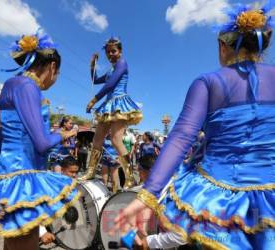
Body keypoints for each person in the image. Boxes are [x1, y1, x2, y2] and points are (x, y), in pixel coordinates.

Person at [113, 3, 275, 249]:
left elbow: (180, 138)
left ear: (222, 46)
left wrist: (147, 196)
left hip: (217, 198)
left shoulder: (209, 82)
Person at [0, 32, 79, 250]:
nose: (55, 78)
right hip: (23, 176)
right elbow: (41, 143)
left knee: (13, 239)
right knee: (25, 241)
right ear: (52, 67)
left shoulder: (11, 84)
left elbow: (4, 131)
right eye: (57, 73)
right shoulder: (28, 87)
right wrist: (65, 134)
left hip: (7, 172)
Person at [80, 37, 143, 189]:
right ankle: (90, 171)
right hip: (108, 106)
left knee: (116, 140)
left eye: (113, 51)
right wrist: (92, 65)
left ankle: (129, 177)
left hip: (120, 104)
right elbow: (95, 80)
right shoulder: (110, 69)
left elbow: (112, 84)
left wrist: (94, 100)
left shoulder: (122, 63)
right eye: (108, 52)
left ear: (120, 51)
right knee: (97, 139)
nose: (110, 54)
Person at [40, 156, 80, 245]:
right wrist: (41, 231)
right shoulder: (53, 185)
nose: (74, 175)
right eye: (71, 172)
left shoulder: (70, 182)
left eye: (76, 172)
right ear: (62, 170)